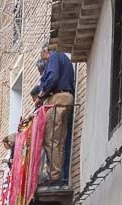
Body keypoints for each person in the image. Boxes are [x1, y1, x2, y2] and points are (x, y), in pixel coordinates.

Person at [33, 44, 76, 184]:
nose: (43, 59)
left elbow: (52, 77)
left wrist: (41, 95)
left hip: (58, 99)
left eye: (42, 55)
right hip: (67, 98)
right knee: (58, 141)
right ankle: (57, 175)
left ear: (46, 51)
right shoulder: (64, 59)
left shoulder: (54, 57)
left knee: (50, 139)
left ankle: (53, 177)